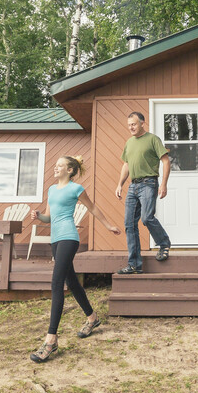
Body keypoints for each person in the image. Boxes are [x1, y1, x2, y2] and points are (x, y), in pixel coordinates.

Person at [29, 155, 120, 363]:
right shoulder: (52, 190)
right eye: (56, 165)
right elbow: (49, 217)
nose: (56, 167)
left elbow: (93, 208)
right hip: (55, 239)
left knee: (56, 283)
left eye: (60, 165)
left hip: (69, 237)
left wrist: (108, 226)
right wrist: (38, 215)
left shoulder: (76, 189)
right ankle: (92, 318)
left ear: (70, 170)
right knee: (71, 282)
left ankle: (50, 341)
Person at [114, 111, 172, 274]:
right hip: (133, 186)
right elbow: (126, 165)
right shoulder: (129, 142)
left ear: (142, 123)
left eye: (133, 124)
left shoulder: (153, 139)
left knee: (146, 218)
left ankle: (164, 243)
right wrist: (120, 184)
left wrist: (164, 184)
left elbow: (166, 161)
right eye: (129, 125)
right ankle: (134, 265)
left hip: (149, 183)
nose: (131, 127)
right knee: (129, 224)